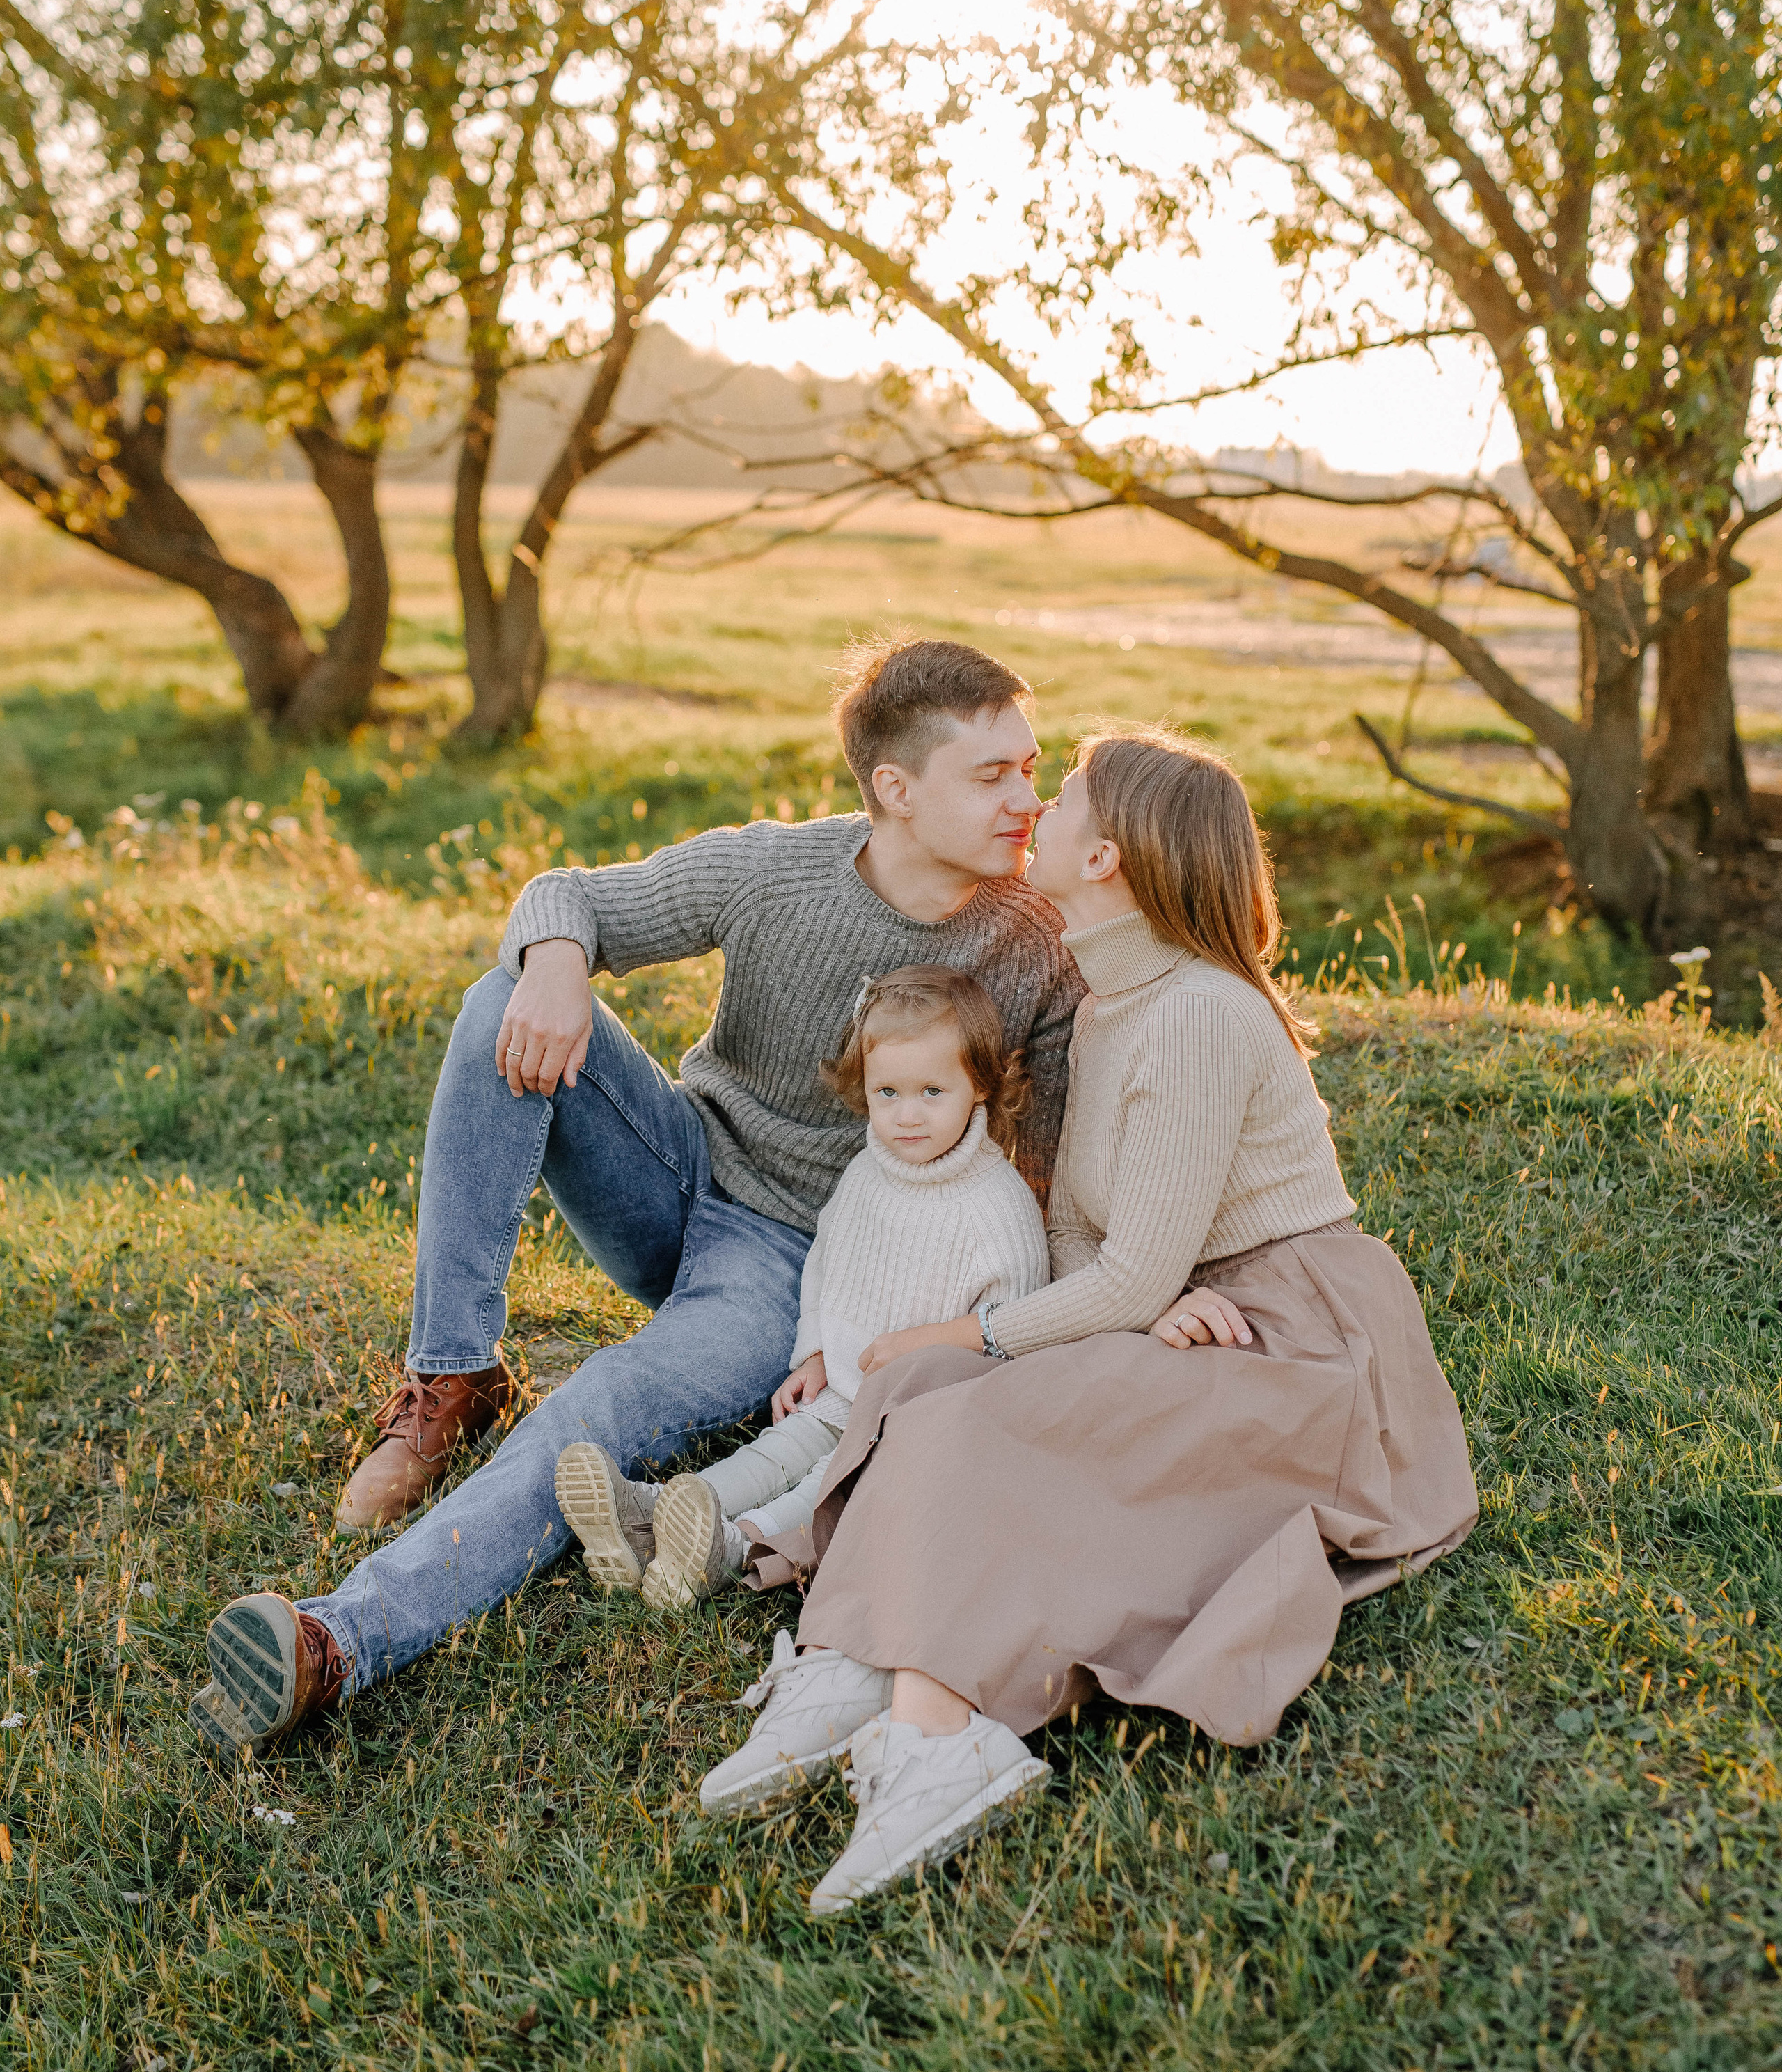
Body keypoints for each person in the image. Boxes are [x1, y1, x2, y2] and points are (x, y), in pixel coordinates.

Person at [187, 640, 1082, 1764]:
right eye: (992, 774)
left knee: (595, 1410)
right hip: (679, 1174)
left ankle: (337, 1639)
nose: (1027, 799)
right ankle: (453, 1370)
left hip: (802, 1274)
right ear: (896, 790)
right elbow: (568, 896)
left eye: (1030, 767)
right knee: (503, 990)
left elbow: (1054, 1181)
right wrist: (560, 966)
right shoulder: (778, 869)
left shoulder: (1038, 947)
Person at [694, 730, 1479, 1912]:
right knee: (918, 1398)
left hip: (1291, 1343)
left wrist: (990, 1333)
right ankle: (847, 1658)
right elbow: (1079, 1239)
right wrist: (1111, 1309)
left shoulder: (1200, 1015)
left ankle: (939, 1735)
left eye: (1058, 796)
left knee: (971, 1408)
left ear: (1105, 855)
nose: (1034, 807)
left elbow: (1125, 1278)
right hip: (1179, 1303)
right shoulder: (1109, 1002)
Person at [553, 963, 1048, 1619]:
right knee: (774, 1452)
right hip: (839, 1387)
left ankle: (729, 1549)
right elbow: (827, 1265)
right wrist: (814, 1352)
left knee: (820, 1485)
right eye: (888, 1093)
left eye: (933, 1091)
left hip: (909, 1421)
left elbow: (1006, 1340)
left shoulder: (998, 1207)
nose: (907, 1116)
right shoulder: (870, 1171)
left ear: (980, 1086)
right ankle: (653, 1512)